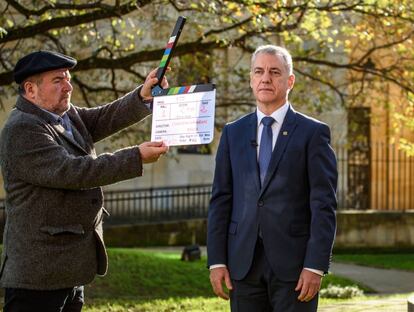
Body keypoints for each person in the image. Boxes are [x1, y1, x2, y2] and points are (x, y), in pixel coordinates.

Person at [0, 50, 169, 311]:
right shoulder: (22, 129)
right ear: (31, 89)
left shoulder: (63, 115)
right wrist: (135, 156)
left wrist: (142, 95)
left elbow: (104, 117)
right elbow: (73, 171)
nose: (68, 86)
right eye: (58, 80)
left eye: (68, 78)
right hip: (38, 278)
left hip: (69, 270)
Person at [207, 45, 337, 312]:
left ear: (290, 81)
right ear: (251, 80)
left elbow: (323, 205)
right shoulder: (233, 133)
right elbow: (221, 200)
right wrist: (217, 260)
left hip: (296, 268)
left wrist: (315, 265)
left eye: (274, 72)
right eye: (259, 71)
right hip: (242, 265)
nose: (265, 78)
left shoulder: (313, 133)